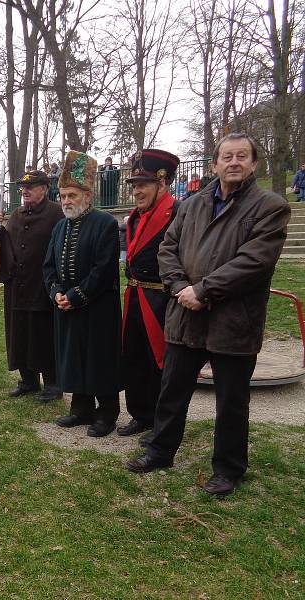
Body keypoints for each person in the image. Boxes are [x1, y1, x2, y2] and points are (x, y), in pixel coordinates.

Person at [126, 133, 291, 497]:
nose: (234, 162)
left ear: (253, 164)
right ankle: (160, 451)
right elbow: (168, 250)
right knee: (172, 390)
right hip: (186, 315)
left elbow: (255, 261)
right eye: (227, 156)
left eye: (242, 156)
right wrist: (180, 287)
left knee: (231, 400)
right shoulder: (192, 205)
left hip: (233, 319)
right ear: (214, 164)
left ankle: (228, 469)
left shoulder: (270, 206)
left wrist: (203, 290)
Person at [43, 151, 122, 437]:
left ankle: (107, 413)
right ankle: (81, 409)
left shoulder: (106, 224)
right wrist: (55, 293)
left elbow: (103, 271)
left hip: (98, 307)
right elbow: (49, 265)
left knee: (99, 359)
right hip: (66, 306)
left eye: (72, 196)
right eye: (63, 196)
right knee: (73, 357)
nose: (66, 201)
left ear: (87, 196)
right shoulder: (59, 227)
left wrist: (75, 296)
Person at [118, 149, 180, 439]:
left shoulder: (178, 213)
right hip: (135, 297)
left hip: (162, 299)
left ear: (163, 183)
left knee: (160, 361)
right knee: (134, 357)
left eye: (143, 184)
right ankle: (139, 414)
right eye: (134, 185)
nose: (137, 191)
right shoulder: (134, 217)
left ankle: (160, 421)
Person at [0, 170, 64, 401]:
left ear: (44, 188)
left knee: (43, 336)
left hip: (42, 286)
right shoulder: (16, 214)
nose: (25, 191)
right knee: (19, 334)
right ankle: (28, 380)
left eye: (30, 187)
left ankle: (53, 383)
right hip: (17, 288)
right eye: (23, 188)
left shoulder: (56, 213)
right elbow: (7, 245)